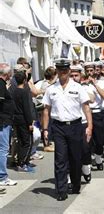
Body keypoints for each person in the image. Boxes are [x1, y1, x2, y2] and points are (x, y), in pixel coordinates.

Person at [42, 59, 93, 201]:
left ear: (69, 71)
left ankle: (76, 184)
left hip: (75, 126)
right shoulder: (51, 89)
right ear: (56, 71)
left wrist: (89, 126)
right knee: (60, 159)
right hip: (58, 127)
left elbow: (86, 108)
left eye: (65, 71)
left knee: (75, 158)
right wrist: (45, 129)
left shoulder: (78, 87)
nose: (62, 73)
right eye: (60, 71)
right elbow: (46, 110)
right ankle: (61, 190)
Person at [11, 70, 35, 173]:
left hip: (15, 119)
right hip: (24, 119)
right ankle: (22, 163)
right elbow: (27, 108)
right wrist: (30, 122)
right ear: (25, 80)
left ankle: (22, 161)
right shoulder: (24, 92)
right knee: (28, 142)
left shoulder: (12, 91)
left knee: (20, 141)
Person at [0, 63, 18, 190]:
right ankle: (2, 177)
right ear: (6, 74)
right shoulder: (1, 84)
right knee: (3, 149)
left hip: (4, 121)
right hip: (3, 122)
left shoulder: (3, 84)